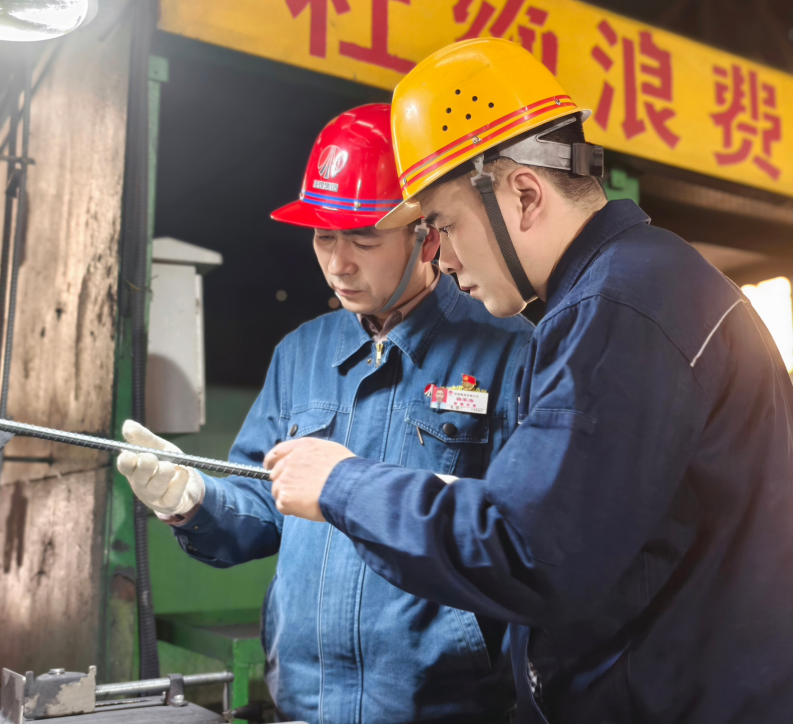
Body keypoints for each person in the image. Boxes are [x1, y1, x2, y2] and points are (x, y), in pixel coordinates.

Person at [264, 41, 793, 724]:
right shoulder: (640, 284)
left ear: (523, 194)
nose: (444, 257)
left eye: (445, 225)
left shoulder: (619, 311)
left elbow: (532, 553)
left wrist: (343, 485)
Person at [116, 104, 533, 724]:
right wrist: (193, 497)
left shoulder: (508, 352)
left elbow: (524, 538)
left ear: (428, 235)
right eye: (323, 236)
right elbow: (261, 505)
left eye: (363, 239)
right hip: (303, 701)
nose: (339, 263)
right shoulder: (301, 353)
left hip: (446, 705)